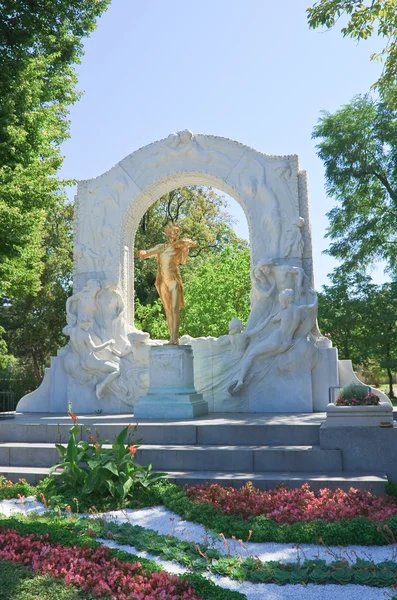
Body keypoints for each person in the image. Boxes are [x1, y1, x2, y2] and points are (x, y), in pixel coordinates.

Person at [229, 288, 318, 395]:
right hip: (286, 344)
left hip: (276, 339)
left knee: (252, 354)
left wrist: (271, 316)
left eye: (281, 302)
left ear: (286, 301)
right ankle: (252, 376)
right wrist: (314, 294)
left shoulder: (283, 312)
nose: (280, 304)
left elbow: (272, 320)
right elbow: (313, 306)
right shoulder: (299, 310)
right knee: (263, 357)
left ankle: (240, 380)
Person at [138, 223, 196, 345]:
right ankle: (171, 337)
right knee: (168, 309)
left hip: (174, 280)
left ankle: (174, 339)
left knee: (175, 309)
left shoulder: (178, 247)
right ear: (168, 232)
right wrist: (143, 252)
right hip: (162, 281)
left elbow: (183, 261)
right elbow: (148, 252)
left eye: (177, 232)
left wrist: (186, 248)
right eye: (173, 231)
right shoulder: (160, 247)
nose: (175, 234)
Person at [63, 314, 120, 399]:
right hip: (91, 362)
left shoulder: (72, 331)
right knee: (117, 369)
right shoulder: (86, 335)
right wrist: (108, 343)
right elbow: (95, 348)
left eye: (89, 324)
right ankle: (101, 386)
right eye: (86, 324)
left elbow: (64, 330)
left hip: (82, 361)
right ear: (80, 322)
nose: (88, 326)